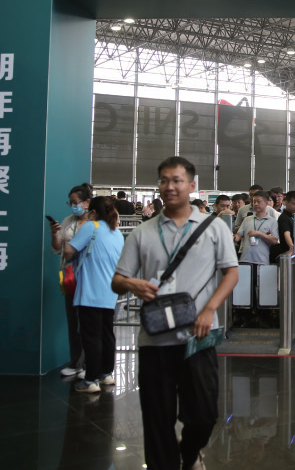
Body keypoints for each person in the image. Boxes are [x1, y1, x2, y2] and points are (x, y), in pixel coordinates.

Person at [112, 157, 239, 470]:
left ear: (191, 185)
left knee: (204, 415)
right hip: (155, 340)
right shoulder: (143, 232)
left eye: (177, 180)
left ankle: (190, 450)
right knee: (157, 420)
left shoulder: (213, 227)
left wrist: (210, 308)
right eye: (164, 180)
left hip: (198, 337)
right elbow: (118, 280)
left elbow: (231, 273)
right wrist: (132, 284)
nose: (170, 186)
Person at [63, 195, 124, 393]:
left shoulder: (91, 227)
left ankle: (90, 380)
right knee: (107, 334)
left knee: (91, 336)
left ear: (94, 212)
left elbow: (69, 250)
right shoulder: (117, 232)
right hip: (110, 292)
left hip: (90, 292)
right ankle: (106, 374)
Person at [49, 184, 92, 379]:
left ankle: (90, 364)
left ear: (87, 202)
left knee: (88, 322)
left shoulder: (95, 223)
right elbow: (58, 248)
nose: (73, 206)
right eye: (71, 203)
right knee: (72, 320)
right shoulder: (68, 221)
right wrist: (54, 233)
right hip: (70, 277)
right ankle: (76, 362)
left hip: (90, 277)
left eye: (76, 203)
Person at [235, 191, 280, 265]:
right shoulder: (247, 219)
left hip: (262, 260)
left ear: (266, 203)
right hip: (245, 260)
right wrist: (233, 237)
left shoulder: (272, 221)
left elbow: (274, 240)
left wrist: (259, 234)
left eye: (258, 202)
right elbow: (238, 235)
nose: (255, 204)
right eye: (254, 201)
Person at [277, 190, 295, 258]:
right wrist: (291, 246)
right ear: (286, 202)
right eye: (294, 204)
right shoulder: (284, 218)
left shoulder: (294, 216)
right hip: (288, 252)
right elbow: (286, 234)